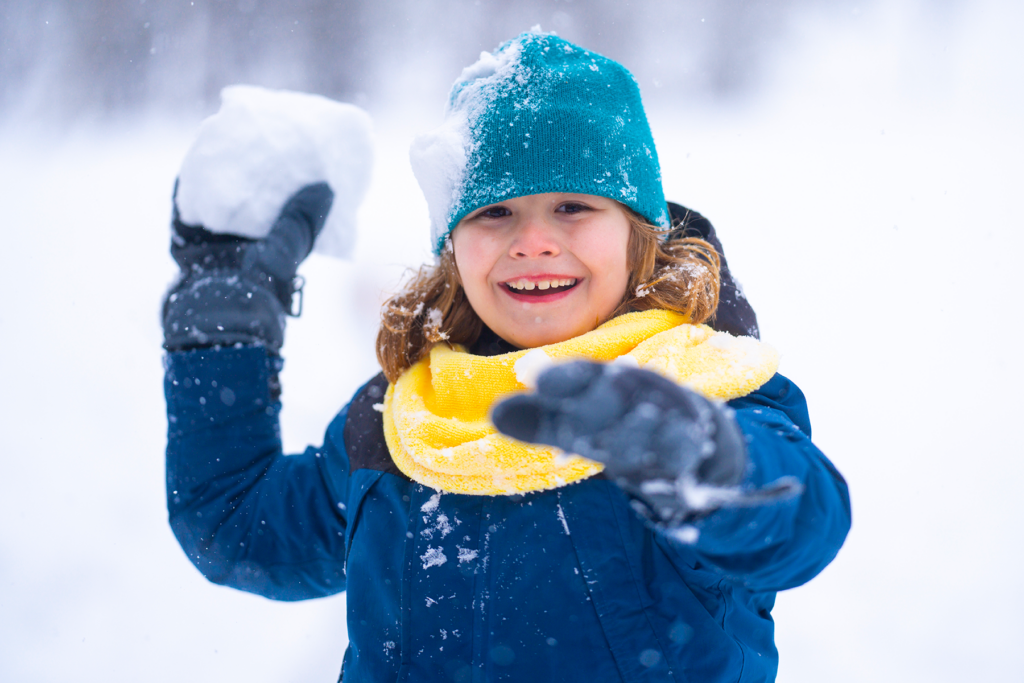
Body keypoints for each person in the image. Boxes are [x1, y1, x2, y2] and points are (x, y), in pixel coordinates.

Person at [162, 31, 850, 683]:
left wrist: (704, 461)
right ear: (452, 244)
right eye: (495, 213)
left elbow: (803, 521)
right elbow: (236, 526)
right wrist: (224, 321)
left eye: (574, 206)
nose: (533, 242)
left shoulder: (706, 387)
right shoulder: (402, 417)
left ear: (638, 234)